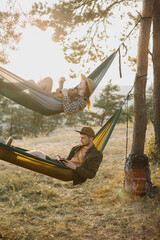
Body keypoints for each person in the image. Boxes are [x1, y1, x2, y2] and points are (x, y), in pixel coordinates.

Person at [28, 127, 103, 185]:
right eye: (80, 137)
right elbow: (69, 160)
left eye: (83, 138)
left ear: (91, 139)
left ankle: (18, 156)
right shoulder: (76, 148)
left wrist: (74, 167)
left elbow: (91, 174)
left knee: (39, 156)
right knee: (37, 153)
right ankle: (18, 155)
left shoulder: (96, 154)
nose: (81, 140)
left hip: (71, 173)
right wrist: (62, 159)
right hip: (64, 167)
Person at [27, 74, 95, 114]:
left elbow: (69, 111)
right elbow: (60, 94)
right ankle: (24, 89)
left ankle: (29, 90)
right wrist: (61, 83)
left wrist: (65, 95)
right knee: (32, 82)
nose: (80, 82)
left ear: (86, 87)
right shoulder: (74, 92)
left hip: (49, 104)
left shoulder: (82, 101)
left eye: (83, 82)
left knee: (41, 81)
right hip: (50, 97)